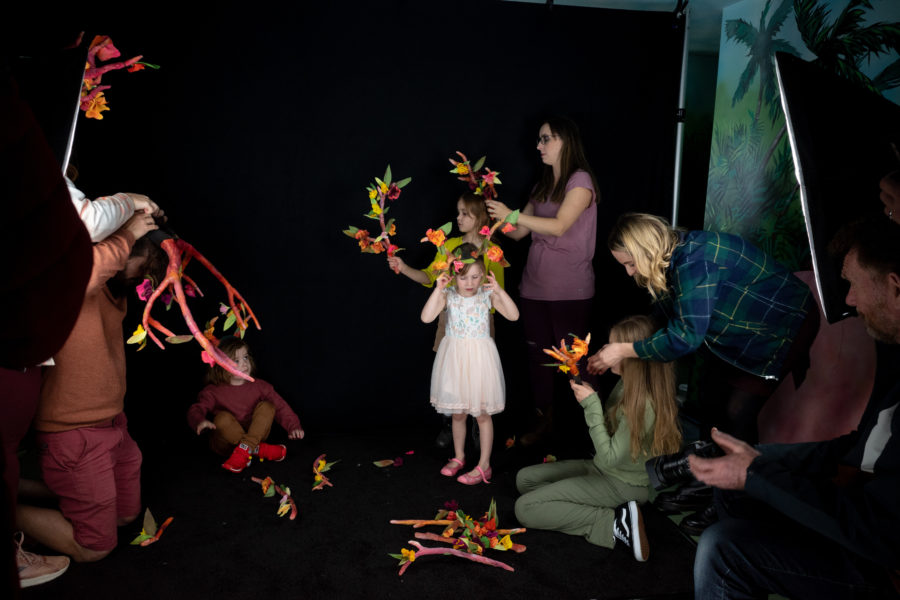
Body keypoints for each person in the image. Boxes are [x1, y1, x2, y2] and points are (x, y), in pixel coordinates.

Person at [688, 214, 900, 598]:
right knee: (732, 482)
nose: (849, 301)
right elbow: (864, 448)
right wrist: (760, 460)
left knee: (722, 549)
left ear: (895, 287)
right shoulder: (894, 356)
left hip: (886, 561)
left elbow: (881, 531)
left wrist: (759, 476)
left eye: (853, 285)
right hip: (865, 510)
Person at [589, 212, 819, 534]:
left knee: (737, 414)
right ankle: (708, 482)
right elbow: (665, 317)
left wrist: (626, 350)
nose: (630, 273)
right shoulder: (672, 258)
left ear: (647, 250)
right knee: (710, 400)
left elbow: (684, 337)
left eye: (630, 263)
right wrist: (618, 345)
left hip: (780, 326)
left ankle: (732, 501)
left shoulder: (695, 262)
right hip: (734, 332)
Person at [15, 208, 164, 564]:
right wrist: (127, 236)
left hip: (114, 426)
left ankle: (32, 487)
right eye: (140, 267)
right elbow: (86, 270)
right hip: (75, 433)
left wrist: (155, 240)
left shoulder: (115, 293)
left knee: (127, 517)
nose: (143, 279)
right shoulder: (74, 282)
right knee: (96, 546)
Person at [514, 315, 682, 562]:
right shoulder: (628, 383)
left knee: (525, 508)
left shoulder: (644, 404)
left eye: (612, 348)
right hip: (600, 469)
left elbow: (610, 456)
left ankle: (608, 522)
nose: (605, 352)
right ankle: (605, 508)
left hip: (621, 483)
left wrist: (591, 406)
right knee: (524, 480)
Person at [485, 116, 598, 446]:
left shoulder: (581, 181)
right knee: (538, 362)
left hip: (569, 291)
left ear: (565, 140)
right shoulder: (543, 184)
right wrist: (493, 213)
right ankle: (543, 424)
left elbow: (560, 225)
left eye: (545, 139)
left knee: (574, 362)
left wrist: (513, 214)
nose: (539, 146)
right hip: (534, 288)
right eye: (539, 139)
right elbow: (519, 232)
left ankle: (591, 430)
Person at [389, 192, 507, 449]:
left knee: (477, 378)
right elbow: (430, 277)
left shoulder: (492, 249)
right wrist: (404, 266)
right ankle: (452, 422)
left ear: (479, 217)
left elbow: (497, 294)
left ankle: (478, 425)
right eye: (459, 212)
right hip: (451, 320)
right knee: (451, 375)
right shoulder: (450, 245)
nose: (458, 217)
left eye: (465, 213)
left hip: (479, 324)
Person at [421, 244, 519, 485]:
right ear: (455, 275)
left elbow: (513, 315)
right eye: (463, 277)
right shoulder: (449, 295)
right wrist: (438, 290)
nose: (469, 283)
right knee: (458, 413)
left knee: (483, 415)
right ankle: (459, 457)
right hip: (455, 360)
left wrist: (498, 290)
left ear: (483, 275)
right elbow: (426, 318)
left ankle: (484, 465)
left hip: (479, 361)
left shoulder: (486, 295)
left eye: (476, 276)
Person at [187, 337, 305, 473]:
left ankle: (246, 450)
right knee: (221, 418)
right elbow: (197, 409)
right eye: (236, 361)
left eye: (245, 357)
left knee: (268, 406)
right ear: (221, 365)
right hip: (226, 445)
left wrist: (293, 426)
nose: (244, 364)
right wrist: (199, 421)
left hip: (255, 435)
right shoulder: (213, 391)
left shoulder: (260, 386)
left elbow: (280, 406)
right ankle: (259, 450)